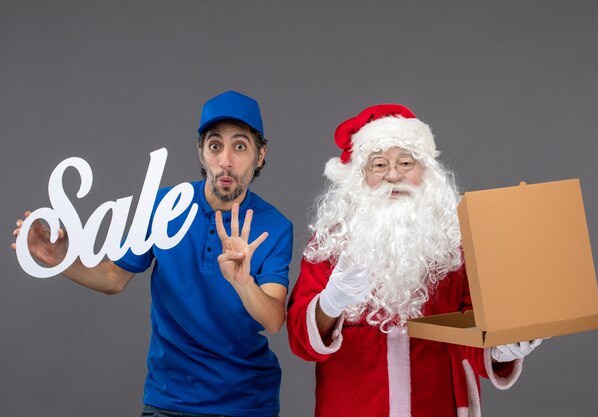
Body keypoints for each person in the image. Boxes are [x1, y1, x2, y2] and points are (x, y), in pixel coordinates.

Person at [12, 90, 293, 417]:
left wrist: (243, 283)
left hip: (246, 403)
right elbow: (112, 278)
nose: (226, 160)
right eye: (215, 145)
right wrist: (58, 258)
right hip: (169, 399)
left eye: (240, 146)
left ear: (260, 155)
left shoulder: (275, 226)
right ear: (201, 153)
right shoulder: (164, 206)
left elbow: (274, 320)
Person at [287, 104, 541, 417]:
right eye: (379, 164)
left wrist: (503, 347)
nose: (393, 175)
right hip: (353, 405)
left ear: (425, 172)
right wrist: (330, 303)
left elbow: (472, 329)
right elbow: (300, 339)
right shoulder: (331, 242)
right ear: (360, 177)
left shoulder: (453, 243)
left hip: (436, 404)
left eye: (405, 162)